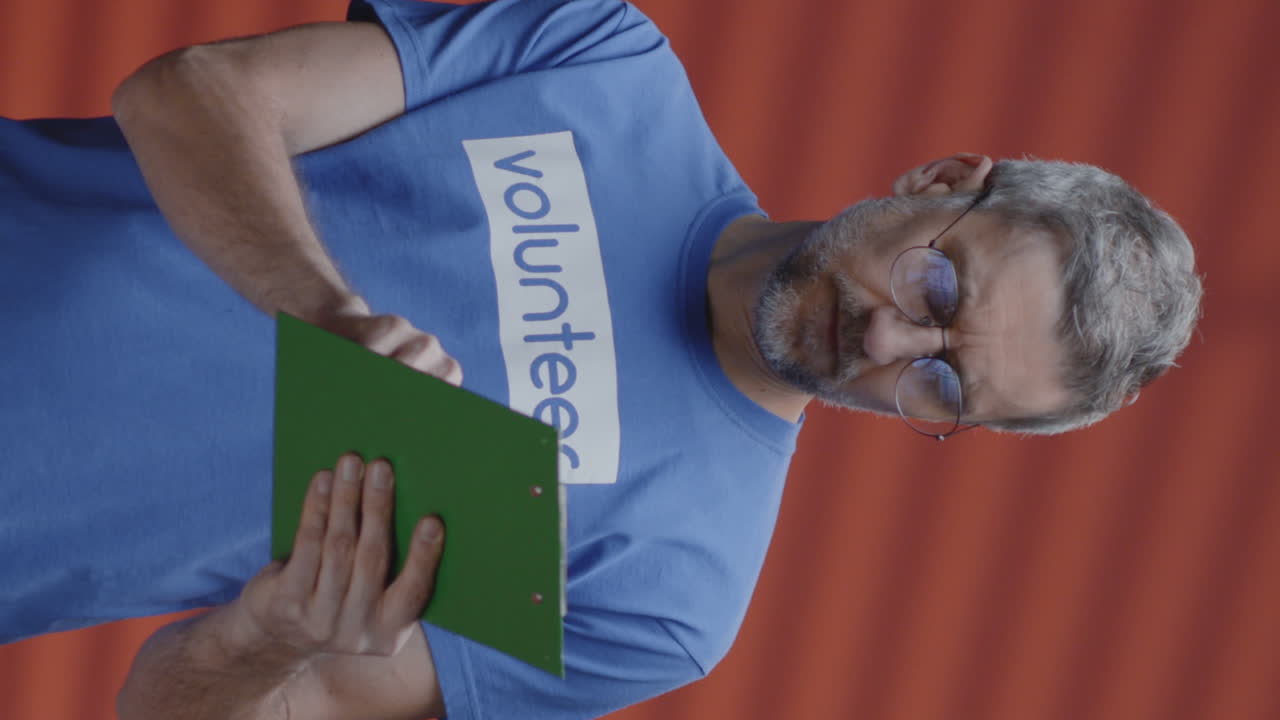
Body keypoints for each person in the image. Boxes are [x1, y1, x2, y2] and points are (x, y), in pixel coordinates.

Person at [0, 0, 1202, 718]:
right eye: (937, 286)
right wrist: (318, 313)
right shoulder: (603, 60)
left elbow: (175, 708)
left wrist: (273, 636)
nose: (886, 341)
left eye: (941, 382)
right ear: (939, 180)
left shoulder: (676, 596)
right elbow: (186, 94)